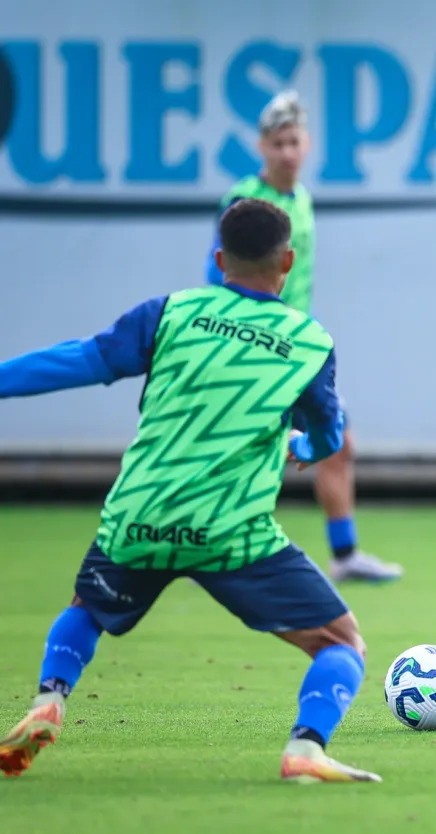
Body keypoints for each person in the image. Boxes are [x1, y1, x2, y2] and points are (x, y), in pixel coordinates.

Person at [0, 199, 381, 783]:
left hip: (140, 516)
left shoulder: (171, 313)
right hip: (233, 532)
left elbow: (80, 361)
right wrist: (301, 448)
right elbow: (329, 433)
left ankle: (49, 699)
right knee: (341, 641)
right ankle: (305, 748)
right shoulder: (307, 341)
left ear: (219, 257)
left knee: (87, 611)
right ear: (288, 260)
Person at [205, 89, 402, 584]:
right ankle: (206, 543)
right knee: (246, 451)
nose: (288, 151)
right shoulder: (245, 203)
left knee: (339, 445)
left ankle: (345, 553)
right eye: (278, 143)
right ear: (262, 147)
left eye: (294, 141)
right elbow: (218, 274)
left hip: (297, 351)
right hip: (259, 352)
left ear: (307, 144)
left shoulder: (303, 201)